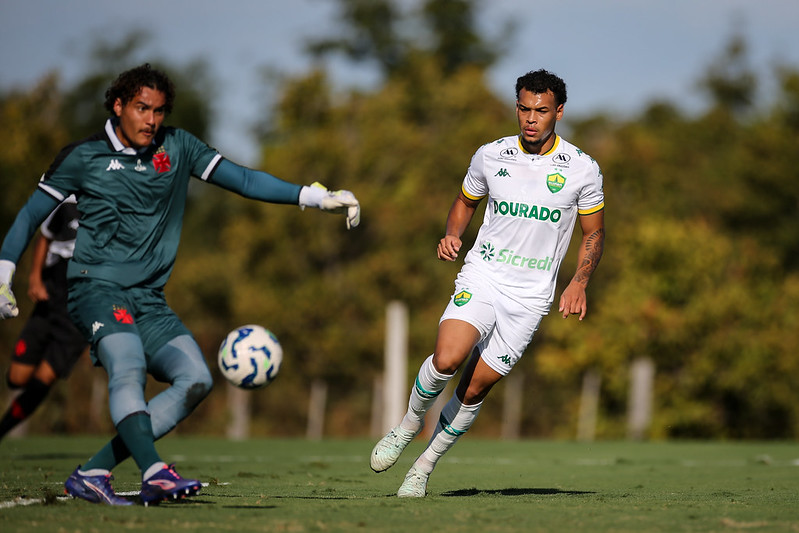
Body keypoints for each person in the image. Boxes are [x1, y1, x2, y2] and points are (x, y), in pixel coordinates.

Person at [0, 63, 360, 506]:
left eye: (159, 111)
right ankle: (155, 472)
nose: (151, 120)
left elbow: (245, 180)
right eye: (141, 108)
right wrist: (4, 274)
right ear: (118, 106)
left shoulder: (179, 146)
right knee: (127, 364)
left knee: (196, 380)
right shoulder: (82, 157)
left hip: (149, 298)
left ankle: (93, 472)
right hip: (96, 288)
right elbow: (30, 215)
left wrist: (316, 196)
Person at [369, 69, 605, 497]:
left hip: (530, 297)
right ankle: (407, 426)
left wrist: (579, 281)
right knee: (447, 359)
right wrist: (452, 233)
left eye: (541, 111)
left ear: (559, 113)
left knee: (474, 387)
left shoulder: (582, 169)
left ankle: (423, 467)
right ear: (516, 107)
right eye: (524, 109)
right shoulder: (490, 155)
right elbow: (465, 201)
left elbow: (594, 232)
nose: (531, 119)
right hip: (484, 274)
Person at [0, 196, 86, 441]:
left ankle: (2, 430)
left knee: (45, 378)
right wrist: (35, 278)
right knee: (16, 378)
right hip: (52, 294)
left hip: (80, 305)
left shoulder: (115, 201)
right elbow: (44, 237)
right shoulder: (67, 201)